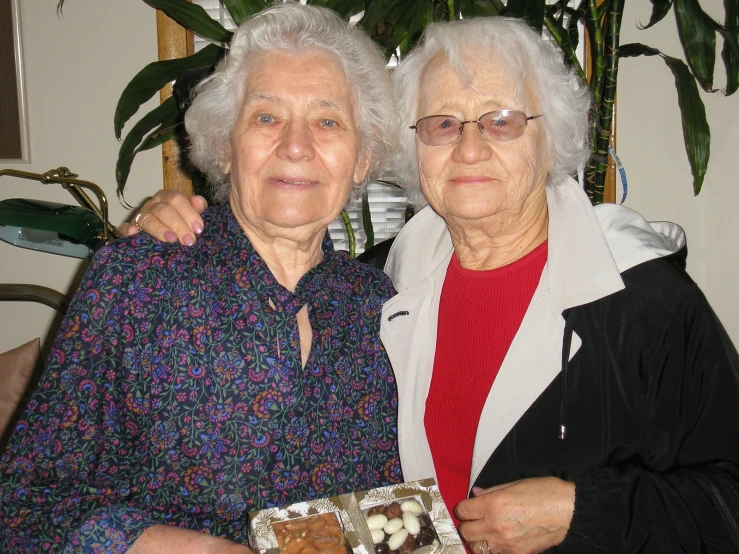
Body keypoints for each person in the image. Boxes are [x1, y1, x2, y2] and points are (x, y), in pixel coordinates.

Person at [123, 15, 739, 554]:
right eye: (443, 123)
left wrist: (582, 512)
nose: (469, 148)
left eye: (500, 120)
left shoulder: (644, 301)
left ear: (551, 137)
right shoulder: (378, 286)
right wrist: (173, 223)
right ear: (413, 147)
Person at [0, 5, 402, 553]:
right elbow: (26, 503)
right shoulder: (137, 280)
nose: (296, 145)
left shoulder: (380, 306)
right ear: (224, 146)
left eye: (328, 120)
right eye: (266, 117)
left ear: (362, 156)